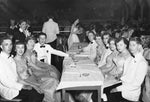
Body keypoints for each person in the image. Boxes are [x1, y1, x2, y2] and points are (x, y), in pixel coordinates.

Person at [0, 35, 44, 102]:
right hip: (9, 90)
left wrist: (31, 85)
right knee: (36, 94)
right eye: (6, 45)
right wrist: (23, 86)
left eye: (10, 44)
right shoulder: (1, 60)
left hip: (17, 84)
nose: (9, 47)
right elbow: (5, 82)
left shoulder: (11, 58)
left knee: (40, 91)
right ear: (1, 46)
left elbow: (17, 78)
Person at [108, 37, 148, 102]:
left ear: (139, 46)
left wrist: (118, 88)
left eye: (133, 45)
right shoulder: (130, 59)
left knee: (102, 95)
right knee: (103, 89)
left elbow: (136, 84)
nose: (131, 47)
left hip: (130, 93)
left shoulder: (142, 63)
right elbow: (125, 75)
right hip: (124, 86)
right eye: (130, 45)